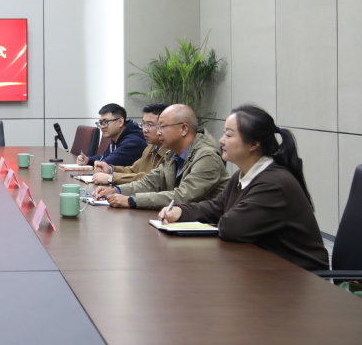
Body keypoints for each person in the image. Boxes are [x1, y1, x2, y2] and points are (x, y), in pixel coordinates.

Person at [158, 105, 329, 271]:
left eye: (229, 135)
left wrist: (219, 216)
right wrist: (182, 211)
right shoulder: (243, 175)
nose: (221, 140)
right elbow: (217, 207)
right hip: (265, 267)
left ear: (253, 144)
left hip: (299, 276)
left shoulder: (272, 184)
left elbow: (232, 228)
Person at [94, 104, 229, 209]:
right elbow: (151, 182)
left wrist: (132, 200)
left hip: (208, 228)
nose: (158, 133)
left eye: (162, 127)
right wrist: (116, 190)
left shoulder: (206, 156)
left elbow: (184, 196)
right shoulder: (173, 153)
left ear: (184, 129)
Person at [90, 103, 170, 185]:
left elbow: (152, 179)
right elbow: (133, 170)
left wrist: (111, 178)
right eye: (143, 124)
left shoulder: (171, 152)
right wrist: (110, 169)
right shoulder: (150, 148)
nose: (144, 130)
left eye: (149, 125)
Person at [77, 103, 146, 167]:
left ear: (120, 122)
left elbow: (104, 164)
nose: (102, 126)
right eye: (100, 122)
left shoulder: (132, 142)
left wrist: (96, 162)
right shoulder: (118, 137)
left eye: (105, 122)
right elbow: (104, 156)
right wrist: (88, 160)